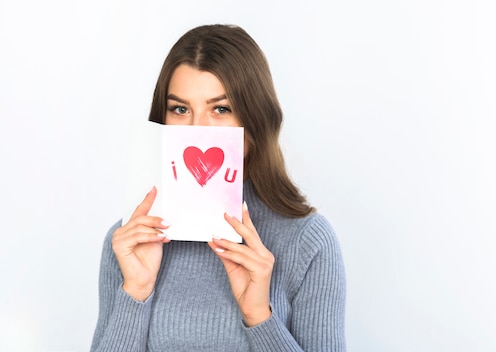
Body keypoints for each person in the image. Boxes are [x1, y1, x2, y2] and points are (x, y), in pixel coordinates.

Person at [90, 24, 346, 351]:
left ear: (255, 120)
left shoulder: (307, 242)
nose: (198, 129)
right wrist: (136, 289)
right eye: (180, 109)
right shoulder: (129, 240)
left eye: (221, 109)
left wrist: (259, 316)